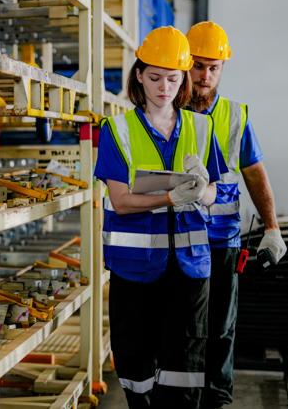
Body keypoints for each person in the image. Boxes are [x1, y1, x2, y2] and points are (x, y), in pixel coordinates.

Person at [94, 26, 228, 408]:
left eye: (173, 78)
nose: (164, 87)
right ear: (138, 75)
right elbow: (120, 201)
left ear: (184, 78)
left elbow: (215, 193)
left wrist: (201, 189)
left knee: (184, 366)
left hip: (189, 269)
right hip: (134, 268)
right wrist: (170, 197)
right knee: (136, 365)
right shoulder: (117, 129)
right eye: (154, 77)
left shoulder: (203, 128)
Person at [185, 21, 288, 409]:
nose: (205, 76)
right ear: (185, 64)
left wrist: (272, 228)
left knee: (220, 329)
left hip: (223, 241)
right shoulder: (165, 112)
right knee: (183, 328)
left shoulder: (235, 116)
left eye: (213, 68)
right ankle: (184, 396)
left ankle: (214, 399)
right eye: (198, 66)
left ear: (222, 68)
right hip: (176, 240)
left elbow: (255, 173)